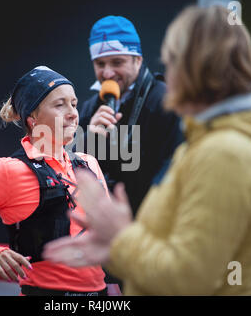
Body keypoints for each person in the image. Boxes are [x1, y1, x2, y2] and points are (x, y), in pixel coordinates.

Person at [43, 6, 251, 295]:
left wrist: (120, 238)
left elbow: (188, 277)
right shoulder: (211, 138)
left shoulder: (226, 153)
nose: (166, 75)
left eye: (172, 61)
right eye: (100, 64)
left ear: (196, 70)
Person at [0, 66, 109, 296]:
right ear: (33, 118)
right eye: (60, 105)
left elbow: (111, 236)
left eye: (74, 104)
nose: (72, 113)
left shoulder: (89, 163)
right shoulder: (8, 170)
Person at [77, 15, 184, 215]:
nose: (107, 73)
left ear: (138, 60)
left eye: (117, 62)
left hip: (150, 223)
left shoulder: (165, 101)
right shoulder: (90, 108)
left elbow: (174, 170)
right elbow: (73, 174)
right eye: (100, 64)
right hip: (104, 224)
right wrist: (87, 142)